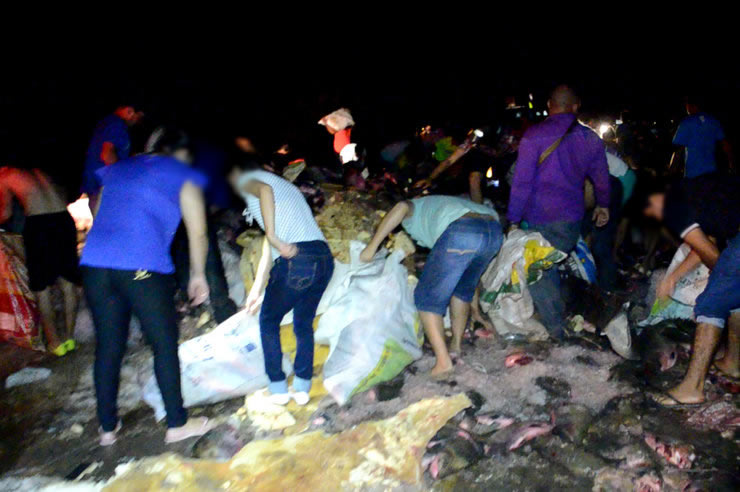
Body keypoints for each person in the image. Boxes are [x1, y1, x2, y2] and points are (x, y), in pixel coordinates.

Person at [80, 129, 213, 446]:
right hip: (141, 266)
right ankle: (177, 424)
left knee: (109, 346)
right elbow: (198, 232)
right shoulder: (184, 172)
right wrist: (198, 275)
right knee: (163, 344)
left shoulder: (118, 169)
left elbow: (98, 215)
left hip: (95, 264)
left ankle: (107, 428)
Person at [508, 85, 610, 339]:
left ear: (550, 106)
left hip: (536, 217)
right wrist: (604, 205)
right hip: (570, 220)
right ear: (575, 107)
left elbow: (521, 182)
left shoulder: (534, 135)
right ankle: (558, 316)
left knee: (539, 271)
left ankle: (555, 329)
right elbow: (601, 179)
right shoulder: (590, 138)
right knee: (548, 268)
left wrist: (512, 219)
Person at [228, 160, 333, 406]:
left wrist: (276, 238)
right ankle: (303, 386)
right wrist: (256, 289)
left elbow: (265, 198)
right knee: (303, 323)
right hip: (323, 259)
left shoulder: (248, 180)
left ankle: (277, 388)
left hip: (298, 259)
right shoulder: (284, 187)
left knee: (268, 321)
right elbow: (268, 247)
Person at [360, 195, 502, 376]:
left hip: (463, 230)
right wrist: (476, 312)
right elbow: (467, 285)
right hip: (494, 233)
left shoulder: (417, 206)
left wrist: (371, 247)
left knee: (426, 297)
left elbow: (401, 205)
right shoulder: (445, 206)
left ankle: (443, 362)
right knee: (460, 290)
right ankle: (456, 346)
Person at [643, 175, 740, 406]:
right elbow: (704, 245)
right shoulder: (696, 194)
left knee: (710, 303)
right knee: (734, 296)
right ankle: (734, 363)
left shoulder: (674, 207)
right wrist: (674, 277)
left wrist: (719, 282)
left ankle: (692, 388)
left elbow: (711, 254)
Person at [0, 167, 80, 355]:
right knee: (68, 283)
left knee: (41, 287)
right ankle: (69, 338)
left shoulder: (5, 175)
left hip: (40, 224)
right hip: (64, 220)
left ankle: (54, 343)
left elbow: (5, 213)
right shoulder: (40, 170)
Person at [81, 104, 143, 210]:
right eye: (139, 117)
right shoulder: (117, 125)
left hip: (93, 187)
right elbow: (107, 155)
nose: (138, 122)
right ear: (130, 111)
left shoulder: (106, 122)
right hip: (102, 189)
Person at [670, 97, 734, 178]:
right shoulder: (713, 121)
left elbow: (677, 150)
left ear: (690, 106)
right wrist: (731, 165)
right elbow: (726, 146)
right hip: (712, 172)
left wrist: (672, 170)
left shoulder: (686, 123)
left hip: (692, 174)